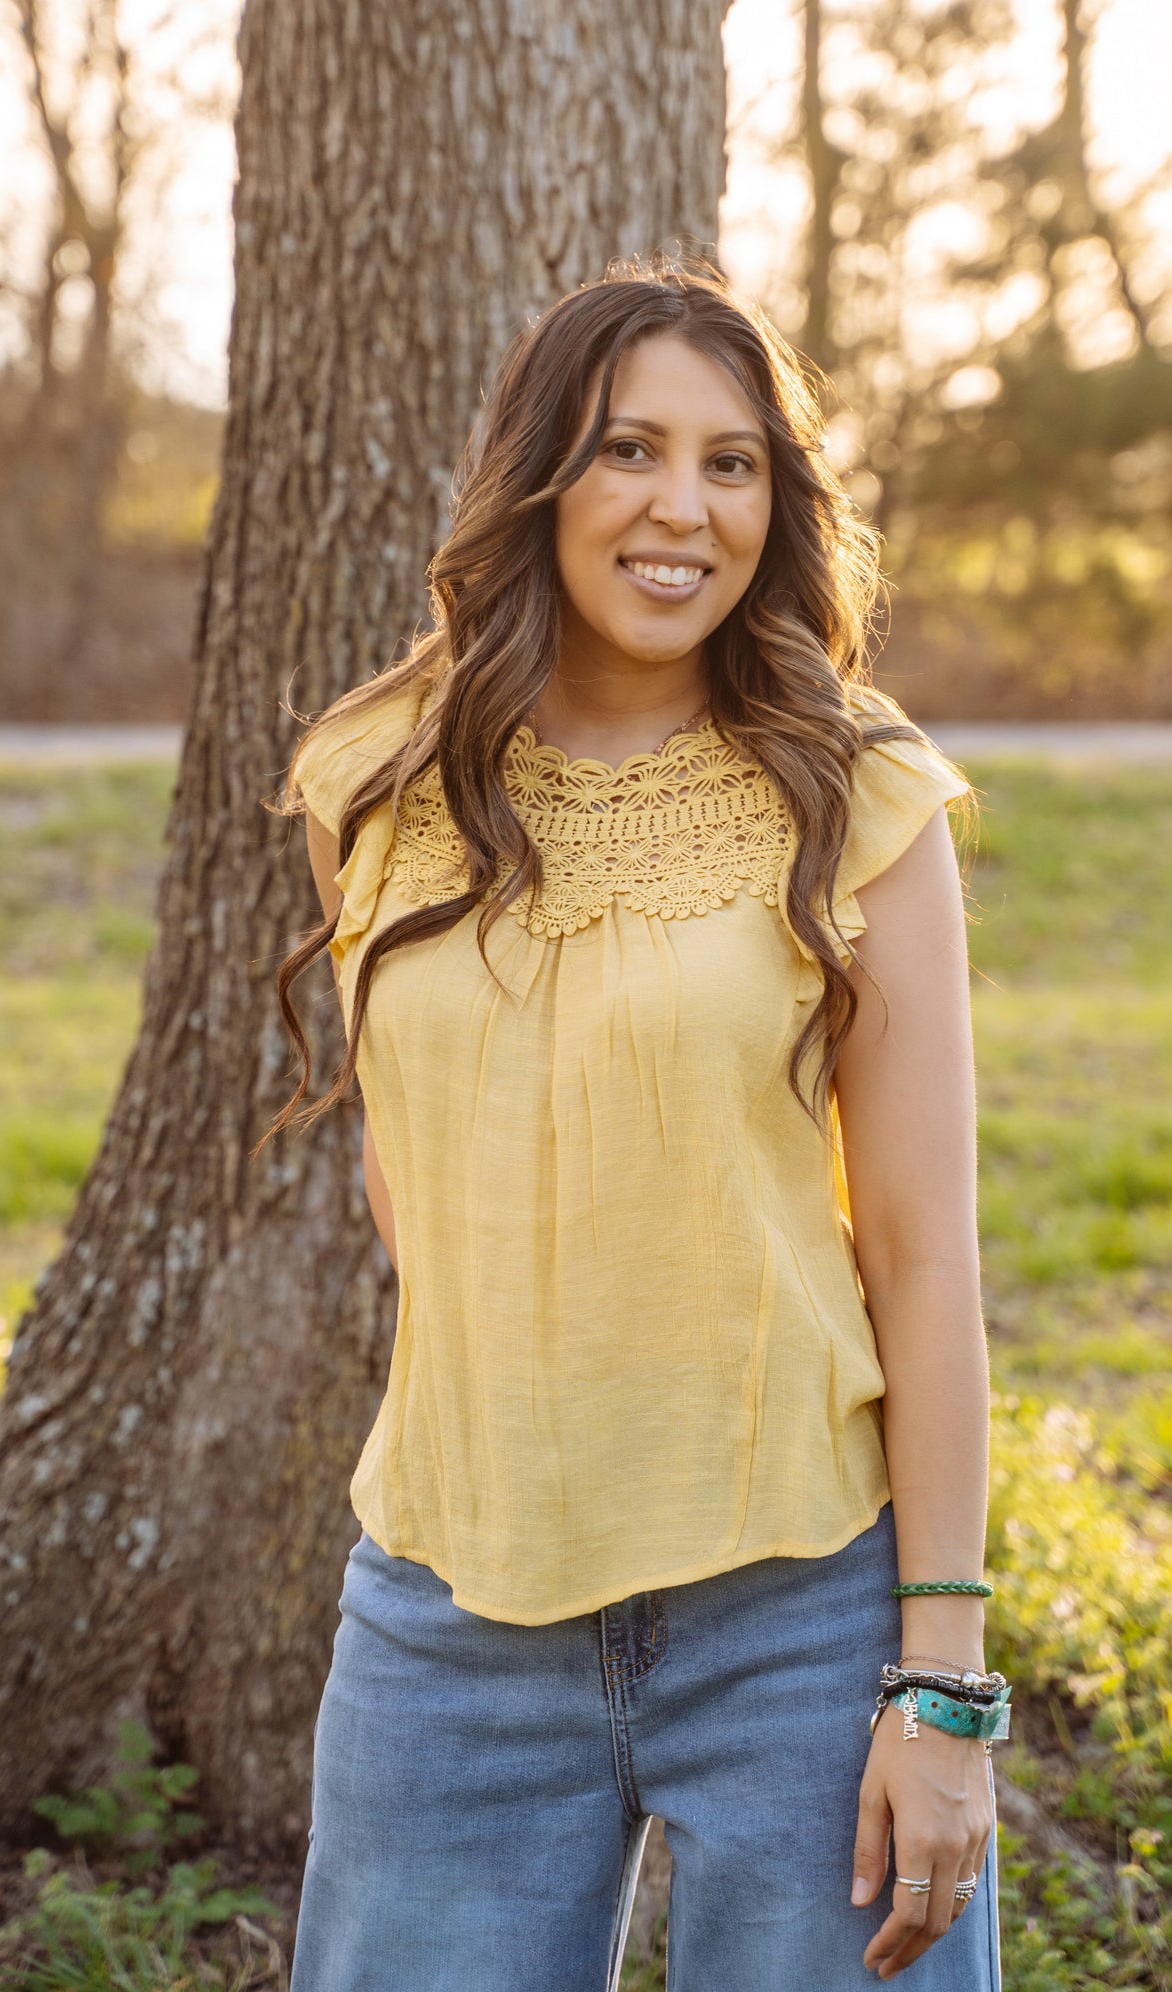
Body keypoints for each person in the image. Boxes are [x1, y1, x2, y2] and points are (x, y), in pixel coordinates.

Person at [266, 259, 1006, 1990]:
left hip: (802, 1615)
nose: (684, 508)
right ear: (540, 477)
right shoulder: (372, 784)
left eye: (733, 463)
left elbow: (919, 1250)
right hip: (449, 1612)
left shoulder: (860, 792)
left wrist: (939, 1679)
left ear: (777, 498)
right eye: (630, 450)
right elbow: (411, 1169)